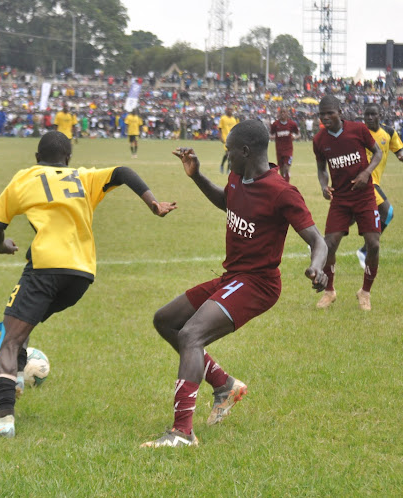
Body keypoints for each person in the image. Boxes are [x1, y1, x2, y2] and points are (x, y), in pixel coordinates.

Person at [0, 131, 177, 438]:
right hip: (80, 275)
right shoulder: (83, 178)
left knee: (10, 336)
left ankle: (4, 419)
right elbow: (122, 172)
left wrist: (3, 246)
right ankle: (15, 378)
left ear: (36, 157)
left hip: (45, 269)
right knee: (21, 325)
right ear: (68, 159)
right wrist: (152, 202)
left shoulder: (24, 178)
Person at [140, 120, 328, 448]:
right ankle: (224, 385)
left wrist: (317, 268)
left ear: (245, 150)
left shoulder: (281, 191)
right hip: (233, 277)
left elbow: (317, 240)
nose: (226, 155)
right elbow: (228, 201)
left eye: (228, 150)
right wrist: (196, 175)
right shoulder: (238, 177)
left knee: (191, 334)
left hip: (258, 283)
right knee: (166, 320)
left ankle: (182, 433)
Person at [313, 95, 383, 311]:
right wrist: (324, 186)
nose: (326, 117)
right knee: (329, 245)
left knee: (373, 244)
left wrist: (366, 172)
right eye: (322, 114)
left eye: (330, 113)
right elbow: (322, 169)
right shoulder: (319, 140)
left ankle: (365, 292)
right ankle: (329, 291)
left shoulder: (358, 129)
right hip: (341, 199)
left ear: (339, 112)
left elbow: (378, 153)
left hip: (365, 197)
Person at [355, 103, 403, 269]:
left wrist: (401, 155)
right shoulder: (359, 132)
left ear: (380, 115)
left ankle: (322, 243)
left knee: (348, 218)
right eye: (367, 115)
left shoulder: (389, 132)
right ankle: (366, 249)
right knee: (388, 211)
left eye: (373, 115)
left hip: (373, 181)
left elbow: (396, 147)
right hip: (365, 180)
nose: (370, 118)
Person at [269, 107, 300, 182]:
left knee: (286, 167)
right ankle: (284, 183)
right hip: (279, 150)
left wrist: (295, 137)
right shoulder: (275, 124)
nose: (283, 114)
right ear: (279, 114)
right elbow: (270, 134)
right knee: (282, 170)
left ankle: (287, 185)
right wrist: (274, 137)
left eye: (284, 112)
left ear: (288, 114)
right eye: (281, 112)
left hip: (288, 150)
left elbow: (298, 134)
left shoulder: (292, 124)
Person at [218, 106, 238, 174]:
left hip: (232, 139)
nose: (230, 111)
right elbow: (220, 128)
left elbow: (235, 129)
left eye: (231, 110)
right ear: (226, 110)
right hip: (225, 138)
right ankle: (225, 167)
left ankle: (226, 168)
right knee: (228, 154)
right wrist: (220, 137)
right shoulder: (223, 118)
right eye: (229, 109)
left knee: (230, 154)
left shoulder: (233, 119)